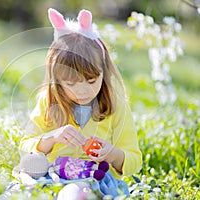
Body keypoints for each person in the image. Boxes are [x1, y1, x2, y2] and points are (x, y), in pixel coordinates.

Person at [19, 8, 142, 197]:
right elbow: (25, 145)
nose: (83, 91)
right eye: (71, 83)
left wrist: (112, 154)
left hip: (94, 179)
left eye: (92, 81)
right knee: (27, 182)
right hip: (53, 174)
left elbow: (135, 160)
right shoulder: (48, 102)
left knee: (74, 193)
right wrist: (52, 138)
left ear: (104, 71)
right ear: (57, 80)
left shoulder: (115, 106)